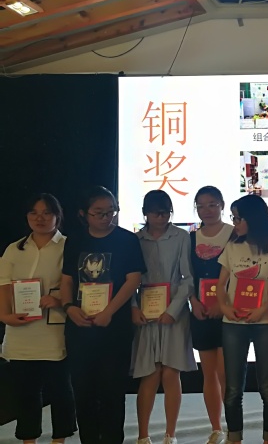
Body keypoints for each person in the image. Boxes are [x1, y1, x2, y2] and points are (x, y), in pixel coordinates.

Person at [60, 186, 146, 444]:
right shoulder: (75, 240)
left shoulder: (127, 240)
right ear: (83, 214)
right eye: (99, 213)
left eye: (111, 211)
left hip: (114, 327)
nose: (107, 217)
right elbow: (67, 280)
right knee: (82, 391)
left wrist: (109, 312)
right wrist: (69, 307)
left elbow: (134, 279)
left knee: (112, 393)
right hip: (80, 327)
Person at [0, 194, 76, 444]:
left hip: (54, 331)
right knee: (25, 393)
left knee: (60, 390)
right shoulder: (15, 248)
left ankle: (59, 440)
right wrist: (5, 315)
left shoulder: (68, 246)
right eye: (34, 212)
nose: (40, 218)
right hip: (20, 331)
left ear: (57, 215)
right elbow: (3, 285)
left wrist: (59, 300)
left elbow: (78, 285)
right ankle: (28, 440)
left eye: (46, 213)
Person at [217, 195, 268, 444]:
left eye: (237, 218)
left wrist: (263, 309)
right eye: (233, 218)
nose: (234, 223)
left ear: (252, 219)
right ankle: (234, 437)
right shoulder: (233, 246)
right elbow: (220, 284)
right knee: (233, 388)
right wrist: (224, 307)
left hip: (266, 323)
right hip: (233, 324)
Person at [131, 190, 197, 444]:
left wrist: (173, 310)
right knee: (149, 374)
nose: (161, 217)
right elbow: (130, 280)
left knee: (171, 373)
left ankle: (171, 434)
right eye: (156, 213)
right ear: (145, 213)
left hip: (174, 313)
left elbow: (188, 278)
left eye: (166, 212)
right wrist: (133, 307)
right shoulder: (135, 239)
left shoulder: (181, 236)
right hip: (145, 314)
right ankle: (143, 435)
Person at [188, 186, 234, 444]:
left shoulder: (234, 234)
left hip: (227, 313)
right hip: (201, 313)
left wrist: (222, 303)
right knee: (209, 374)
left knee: (226, 373)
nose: (207, 210)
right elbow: (187, 276)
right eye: (201, 205)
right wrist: (193, 301)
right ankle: (216, 428)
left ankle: (233, 427)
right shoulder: (191, 238)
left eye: (212, 204)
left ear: (222, 205)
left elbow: (240, 273)